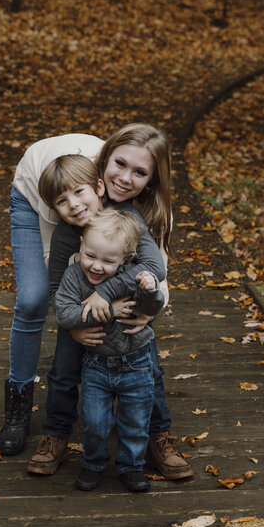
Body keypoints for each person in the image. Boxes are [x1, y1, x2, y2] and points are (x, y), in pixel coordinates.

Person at [0, 123, 192, 483]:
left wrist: (145, 309)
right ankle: (43, 425)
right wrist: (77, 321)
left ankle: (157, 435)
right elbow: (59, 285)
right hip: (38, 188)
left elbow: (155, 269)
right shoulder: (68, 207)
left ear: (150, 182)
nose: (126, 178)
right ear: (104, 165)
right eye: (120, 164)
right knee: (43, 318)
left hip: (115, 300)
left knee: (147, 355)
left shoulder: (137, 214)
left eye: (140, 173)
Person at [53, 208, 165, 492]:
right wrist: (108, 310)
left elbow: (152, 309)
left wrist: (152, 292)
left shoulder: (134, 275)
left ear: (125, 260)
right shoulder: (73, 276)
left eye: (108, 260)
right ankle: (93, 463)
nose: (97, 267)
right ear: (81, 247)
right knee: (95, 422)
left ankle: (132, 467)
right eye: (90, 256)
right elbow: (63, 314)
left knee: (135, 422)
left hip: (137, 363)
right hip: (96, 364)